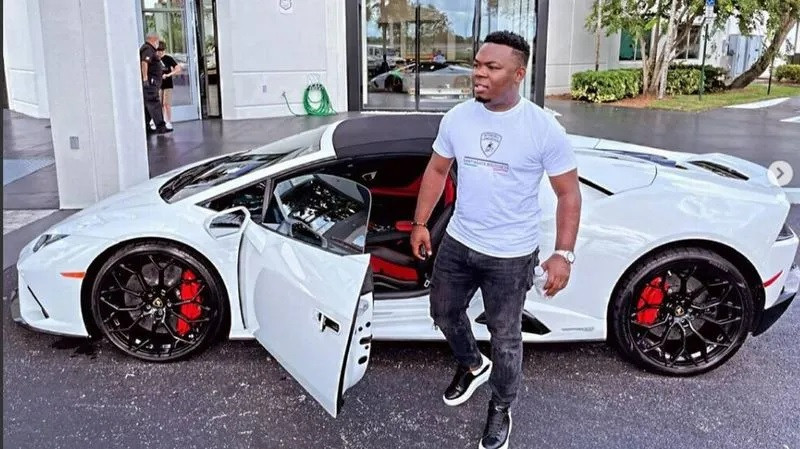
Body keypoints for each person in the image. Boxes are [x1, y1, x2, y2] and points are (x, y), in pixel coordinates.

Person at [410, 30, 581, 449]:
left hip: (511, 255)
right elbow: (437, 170)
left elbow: (568, 193)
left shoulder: (542, 128)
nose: (479, 74)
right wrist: (420, 223)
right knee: (443, 313)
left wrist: (563, 253)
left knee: (505, 339)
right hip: (459, 241)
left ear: (518, 74)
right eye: (477, 65)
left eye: (491, 67)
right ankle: (472, 365)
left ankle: (501, 406)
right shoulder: (458, 118)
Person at [139, 32, 171, 134]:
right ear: (153, 39)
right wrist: (145, 79)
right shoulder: (148, 49)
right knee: (154, 103)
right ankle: (161, 126)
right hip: (150, 83)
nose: (158, 43)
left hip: (152, 82)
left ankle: (146, 127)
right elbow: (144, 63)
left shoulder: (150, 49)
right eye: (157, 40)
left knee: (148, 105)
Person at [155, 41, 181, 130]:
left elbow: (178, 69)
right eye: (158, 51)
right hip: (158, 84)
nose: (159, 53)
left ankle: (168, 121)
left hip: (167, 84)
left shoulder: (168, 59)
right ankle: (161, 122)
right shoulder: (155, 59)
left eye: (161, 51)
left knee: (166, 104)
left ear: (164, 50)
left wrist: (168, 75)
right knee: (160, 104)